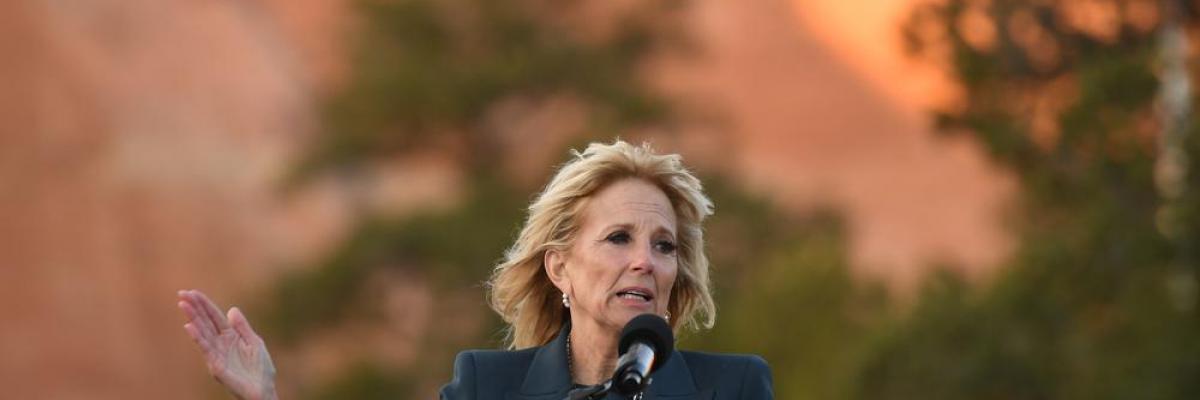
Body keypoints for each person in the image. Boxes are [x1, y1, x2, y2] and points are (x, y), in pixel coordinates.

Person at [178, 140, 774, 400]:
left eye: (665, 246)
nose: (645, 259)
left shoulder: (735, 387)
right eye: (619, 238)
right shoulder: (487, 387)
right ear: (559, 269)